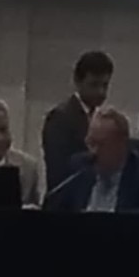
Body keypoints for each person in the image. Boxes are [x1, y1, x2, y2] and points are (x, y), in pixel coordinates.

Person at [45, 106, 139, 214]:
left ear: (122, 144)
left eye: (101, 144)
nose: (93, 152)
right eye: (91, 143)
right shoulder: (80, 166)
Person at [41, 50, 114, 191]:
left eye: (105, 85)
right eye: (94, 85)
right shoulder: (60, 118)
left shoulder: (103, 118)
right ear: (77, 81)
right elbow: (59, 170)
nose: (100, 92)